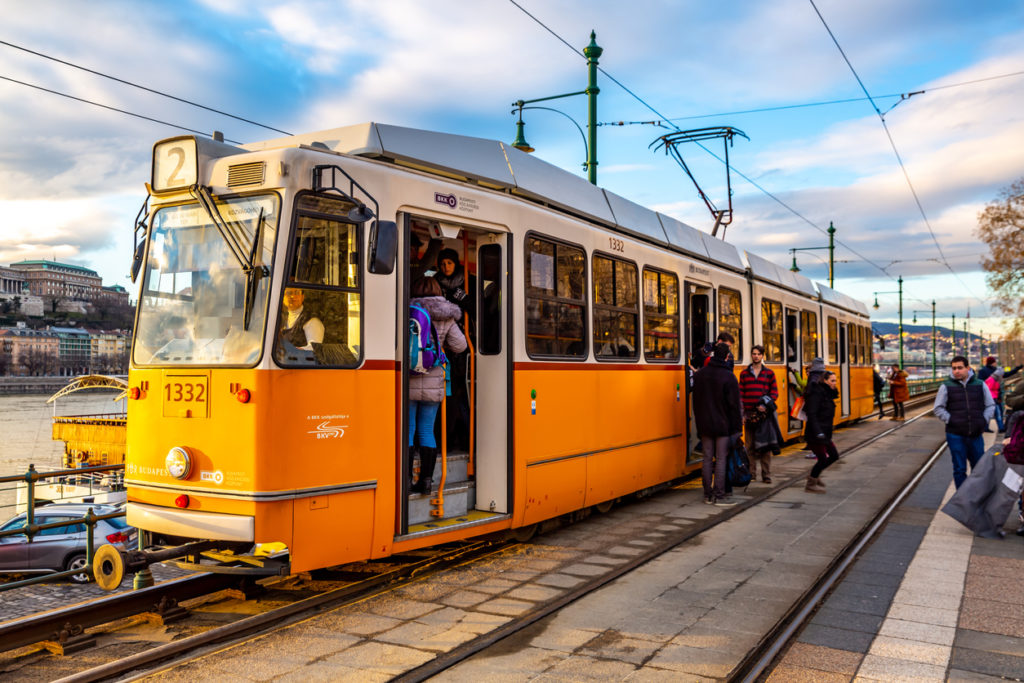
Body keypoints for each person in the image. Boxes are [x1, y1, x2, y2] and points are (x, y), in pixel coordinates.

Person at [409, 276, 467, 494]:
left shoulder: (407, 310)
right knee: (427, 430)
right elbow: (460, 346)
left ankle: (406, 480)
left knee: (409, 428)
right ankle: (425, 482)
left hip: (410, 376)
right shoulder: (447, 315)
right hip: (434, 377)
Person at [692, 342, 743, 506]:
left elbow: (696, 402)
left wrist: (699, 423)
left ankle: (707, 494)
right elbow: (734, 405)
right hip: (723, 425)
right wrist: (737, 428)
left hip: (705, 424)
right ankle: (719, 495)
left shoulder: (700, 375)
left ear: (713, 354)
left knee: (707, 458)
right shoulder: (729, 377)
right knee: (721, 459)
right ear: (727, 356)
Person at [933, 355, 996, 489]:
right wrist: (951, 420)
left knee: (979, 468)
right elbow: (938, 408)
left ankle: (976, 497)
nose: (956, 371)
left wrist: (983, 420)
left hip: (975, 434)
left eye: (960, 368)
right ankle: (962, 501)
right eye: (954, 368)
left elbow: (990, 405)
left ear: (968, 368)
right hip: (955, 434)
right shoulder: (946, 386)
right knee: (959, 469)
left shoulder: (980, 384)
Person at [739, 345, 779, 483]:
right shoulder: (744, 374)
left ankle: (766, 474)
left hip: (764, 416)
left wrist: (765, 405)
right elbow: (741, 395)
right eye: (754, 354)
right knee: (749, 446)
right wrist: (742, 414)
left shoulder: (769, 373)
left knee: (765, 447)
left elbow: (774, 393)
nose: (756, 356)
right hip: (750, 414)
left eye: (758, 354)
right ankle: (752, 474)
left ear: (763, 356)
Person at [804, 370, 840, 493]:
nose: (835, 383)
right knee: (823, 459)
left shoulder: (827, 393)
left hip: (825, 433)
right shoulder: (817, 394)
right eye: (832, 381)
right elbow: (811, 414)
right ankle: (811, 483)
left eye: (835, 380)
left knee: (834, 456)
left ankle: (815, 475)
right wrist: (818, 432)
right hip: (816, 434)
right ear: (825, 381)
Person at [979, 356, 1023, 433]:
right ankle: (1001, 428)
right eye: (995, 362)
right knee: (998, 413)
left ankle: (992, 427)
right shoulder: (994, 376)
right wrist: (1017, 368)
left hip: (992, 396)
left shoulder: (986, 372)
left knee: (993, 412)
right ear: (992, 363)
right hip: (993, 397)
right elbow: (1006, 375)